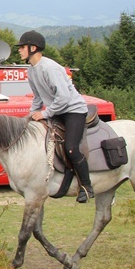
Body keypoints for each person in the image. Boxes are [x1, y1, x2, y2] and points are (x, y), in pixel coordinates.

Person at [15, 30, 94, 203]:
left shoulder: (50, 68)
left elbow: (64, 97)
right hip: (57, 111)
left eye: (22, 47)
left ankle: (87, 187)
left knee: (71, 148)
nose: (19, 50)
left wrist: (45, 113)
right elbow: (37, 98)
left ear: (33, 48)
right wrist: (29, 118)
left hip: (73, 111)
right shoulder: (32, 71)